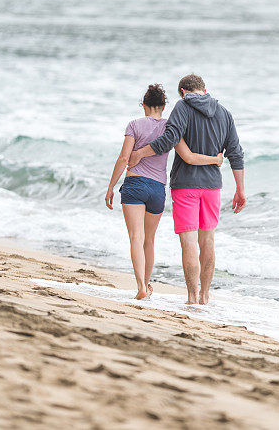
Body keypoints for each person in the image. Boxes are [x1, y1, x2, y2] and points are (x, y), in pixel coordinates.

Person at [127, 74, 245, 305]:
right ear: (204, 89)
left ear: (182, 91)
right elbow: (236, 153)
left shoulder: (183, 107)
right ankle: (205, 296)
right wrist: (241, 189)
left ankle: (191, 296)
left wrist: (140, 153)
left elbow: (169, 138)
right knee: (208, 241)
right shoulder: (225, 113)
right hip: (212, 188)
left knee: (189, 242)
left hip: (185, 187)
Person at [105, 84, 222, 300]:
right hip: (157, 189)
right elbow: (189, 156)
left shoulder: (134, 125)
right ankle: (148, 285)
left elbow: (123, 158)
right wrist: (215, 159)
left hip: (134, 185)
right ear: (164, 105)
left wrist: (111, 186)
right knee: (149, 240)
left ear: (144, 106)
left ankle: (141, 285)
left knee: (135, 238)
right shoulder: (170, 128)